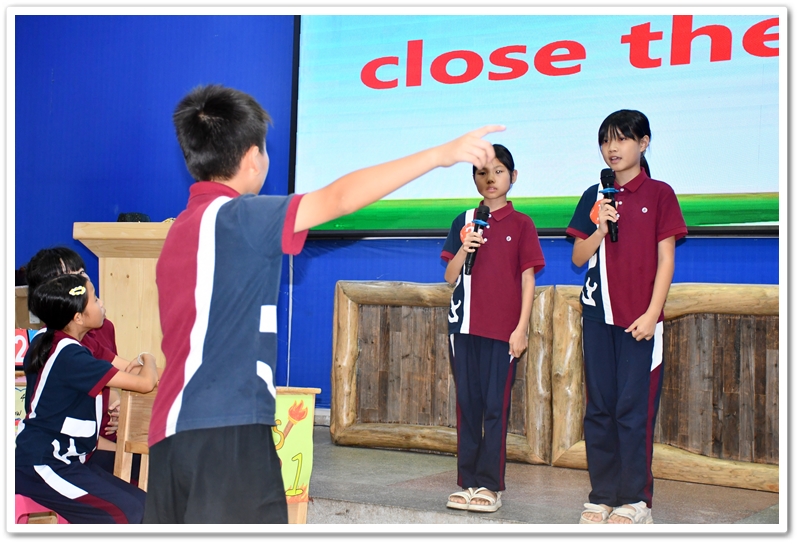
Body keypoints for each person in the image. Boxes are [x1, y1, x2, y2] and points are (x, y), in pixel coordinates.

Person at [143, 83, 504, 524]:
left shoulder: (179, 231)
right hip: (227, 431)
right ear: (253, 158)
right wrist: (439, 155)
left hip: (169, 438)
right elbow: (339, 198)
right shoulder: (242, 217)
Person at [566, 110, 687, 524]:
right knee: (600, 409)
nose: (612, 148)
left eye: (621, 139)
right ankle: (602, 495)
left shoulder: (660, 193)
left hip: (640, 322)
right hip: (598, 316)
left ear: (643, 142)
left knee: (633, 411)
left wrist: (653, 314)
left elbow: (666, 260)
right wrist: (600, 228)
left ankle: (636, 501)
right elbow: (578, 257)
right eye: (605, 141)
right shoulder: (594, 196)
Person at [440, 144, 545, 513]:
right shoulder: (464, 220)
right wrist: (465, 248)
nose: (490, 178)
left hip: (503, 331)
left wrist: (521, 328)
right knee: (468, 405)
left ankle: (490, 484)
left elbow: (528, 279)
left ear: (512, 177)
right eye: (482, 172)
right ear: (474, 178)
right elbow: (449, 275)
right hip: (463, 327)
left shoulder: (522, 224)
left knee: (494, 407)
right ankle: (467, 481)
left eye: (498, 171)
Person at [15, 274, 159, 523]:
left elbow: (129, 372)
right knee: (128, 513)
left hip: (68, 459)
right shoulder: (72, 356)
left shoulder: (57, 341)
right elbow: (146, 383)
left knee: (144, 505)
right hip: (42, 464)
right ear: (78, 317)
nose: (102, 304)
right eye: (95, 299)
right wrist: (148, 357)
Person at [23, 247, 143, 479]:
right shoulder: (53, 347)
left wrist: (123, 410)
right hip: (79, 448)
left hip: (109, 436)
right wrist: (122, 446)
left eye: (81, 272)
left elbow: (117, 377)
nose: (84, 279)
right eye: (71, 277)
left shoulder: (101, 328)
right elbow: (63, 421)